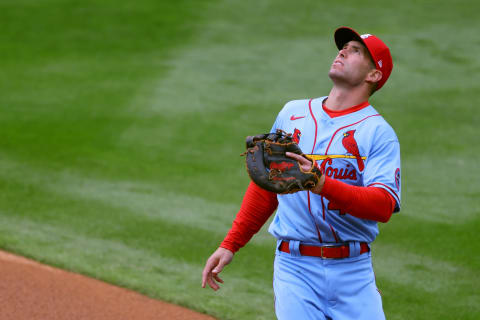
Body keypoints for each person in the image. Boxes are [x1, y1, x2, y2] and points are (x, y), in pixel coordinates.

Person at [201, 26, 401, 320]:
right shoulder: (293, 114)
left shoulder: (378, 133)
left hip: (353, 271)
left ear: (374, 75)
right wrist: (230, 243)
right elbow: (267, 185)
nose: (343, 51)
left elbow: (383, 205)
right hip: (294, 269)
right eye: (343, 47)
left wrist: (322, 184)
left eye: (356, 50)